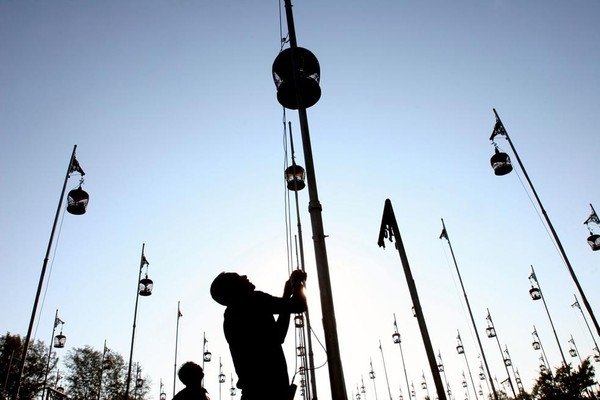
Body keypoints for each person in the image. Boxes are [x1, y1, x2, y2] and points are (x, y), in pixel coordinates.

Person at [210, 269, 307, 400]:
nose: (244, 276)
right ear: (234, 289)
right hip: (271, 390)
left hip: (256, 392)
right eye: (238, 277)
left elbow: (278, 336)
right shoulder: (254, 300)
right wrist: (296, 282)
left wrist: (286, 294)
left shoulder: (231, 318)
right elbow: (298, 305)